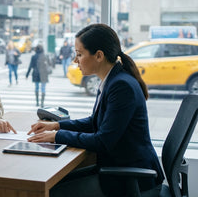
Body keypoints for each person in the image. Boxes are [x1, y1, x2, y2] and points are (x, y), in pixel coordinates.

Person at [27, 24, 164, 197]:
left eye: (79, 54)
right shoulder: (113, 80)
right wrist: (57, 126)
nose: (75, 61)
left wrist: (56, 136)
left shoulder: (121, 86)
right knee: (54, 185)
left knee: (53, 192)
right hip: (119, 170)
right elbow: (94, 121)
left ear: (99, 55)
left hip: (132, 180)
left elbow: (102, 141)